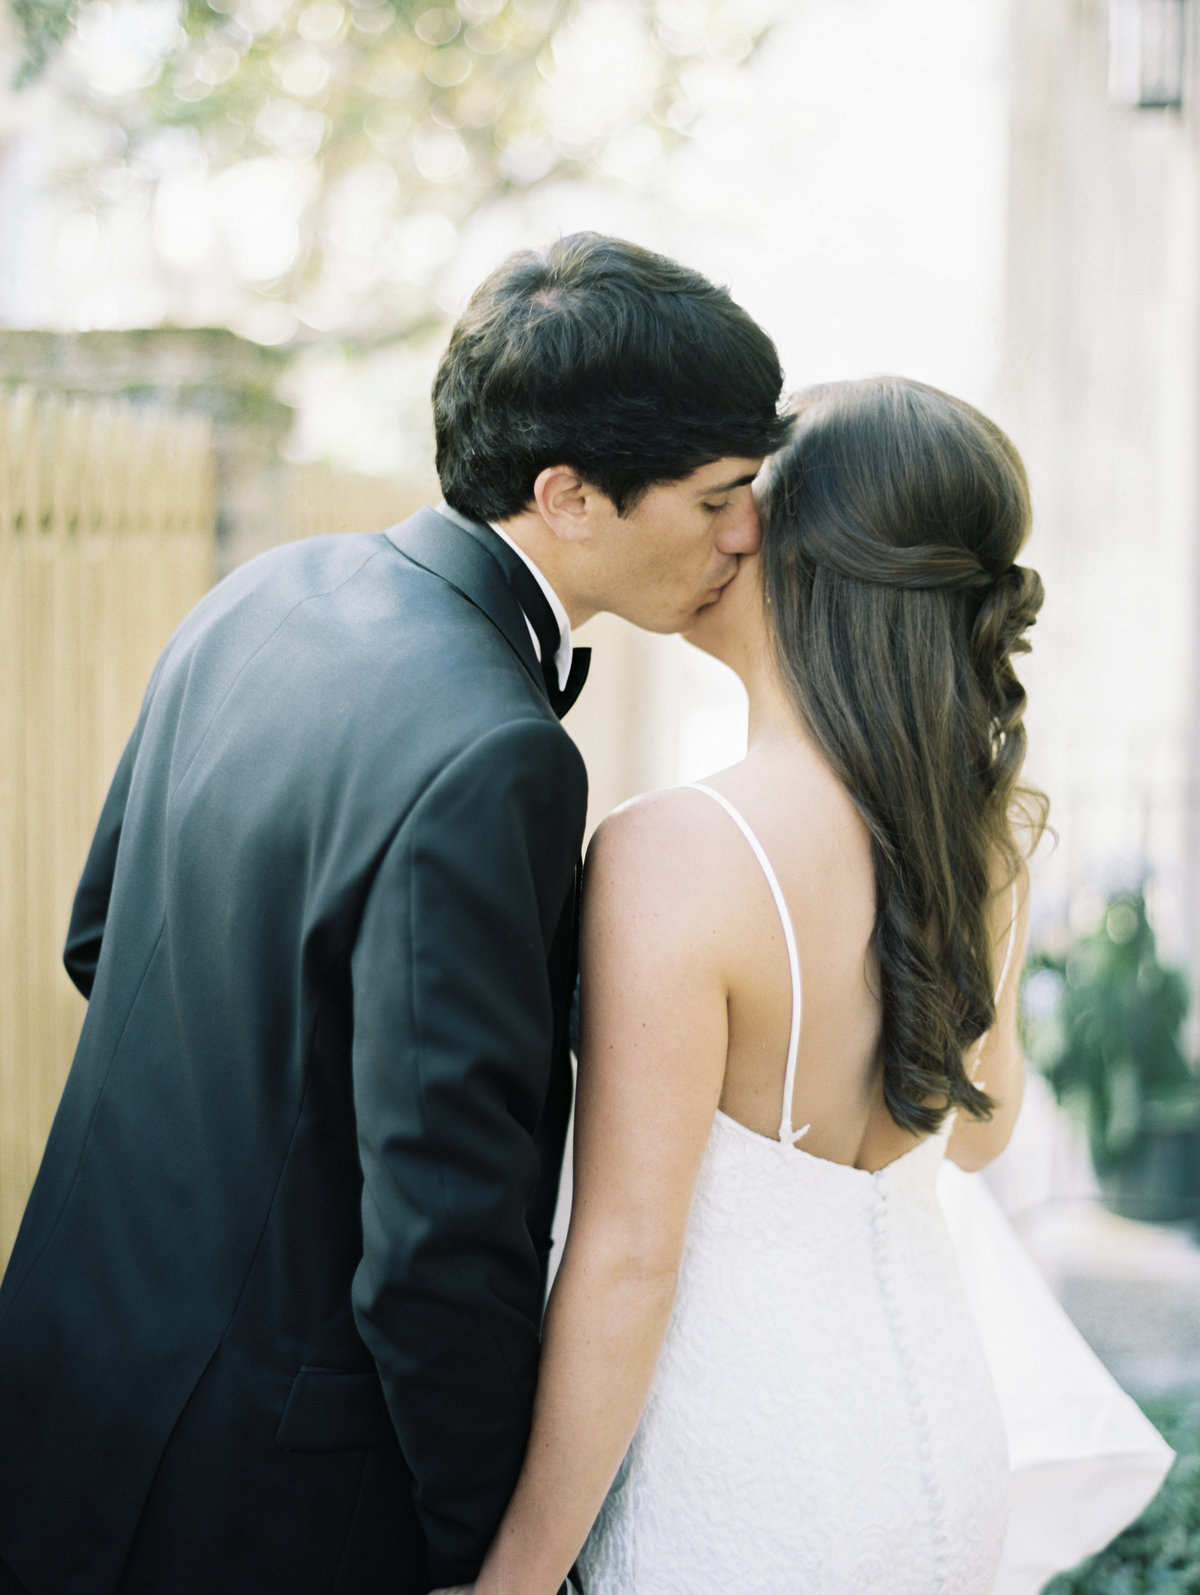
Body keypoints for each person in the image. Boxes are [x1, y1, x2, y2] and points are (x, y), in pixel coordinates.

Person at [0, 233, 788, 1595]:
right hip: (268, 1492)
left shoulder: (258, 596)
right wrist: (492, 1550)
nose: (746, 530)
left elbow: (102, 938)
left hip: (63, 1386)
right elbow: (440, 1237)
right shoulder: (498, 749)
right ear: (571, 494)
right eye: (719, 494)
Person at [464, 375, 1047, 1595]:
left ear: (815, 558)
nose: (718, 530)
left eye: (745, 502)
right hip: (944, 1449)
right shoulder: (984, 836)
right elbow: (980, 1136)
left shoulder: (679, 850)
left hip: (747, 1490)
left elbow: (629, 1257)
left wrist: (514, 1576)